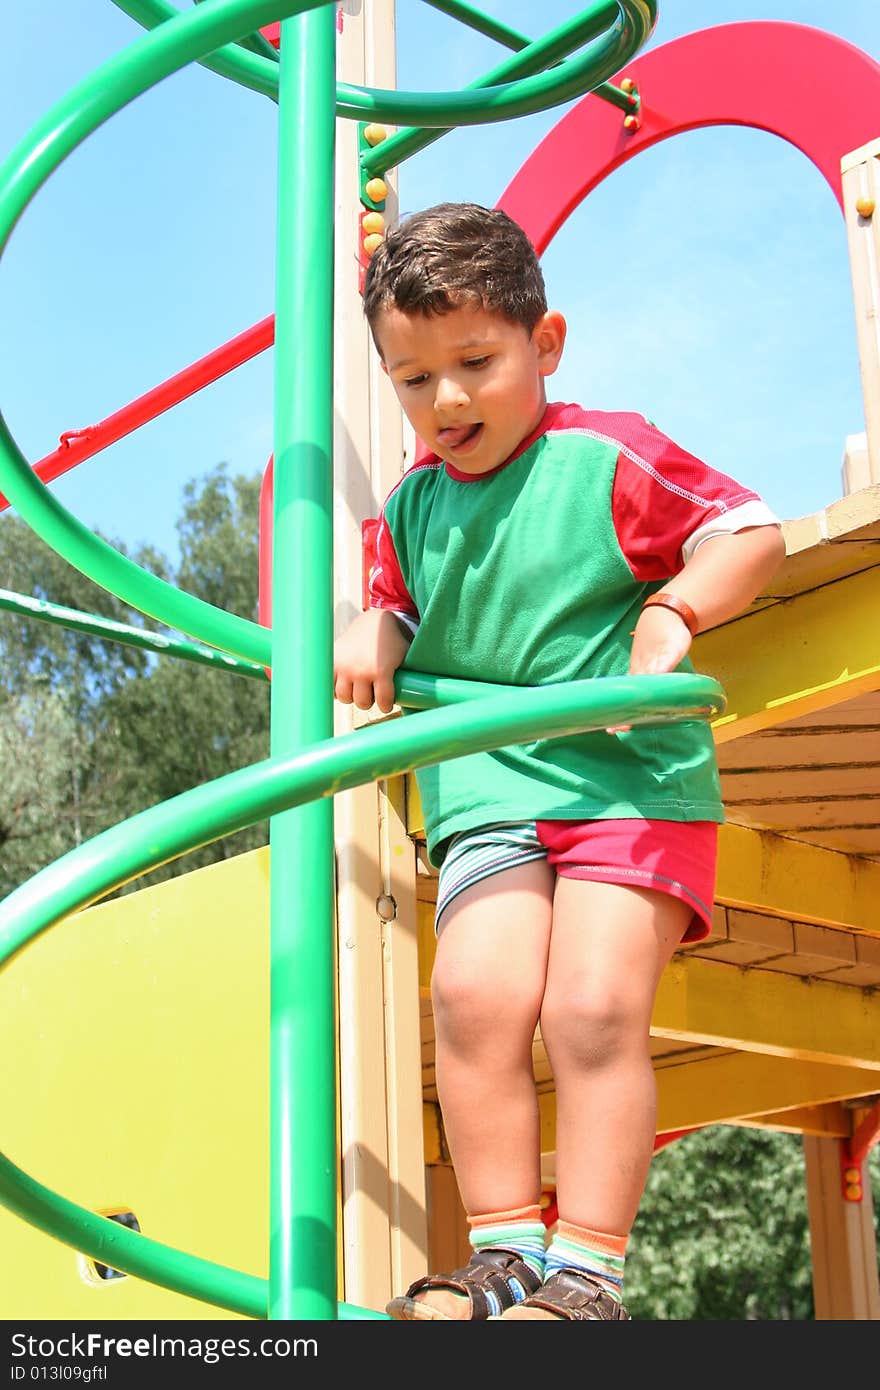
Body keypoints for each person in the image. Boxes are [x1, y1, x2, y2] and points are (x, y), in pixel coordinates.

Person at [333, 202, 785, 1321]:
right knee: (475, 997)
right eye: (410, 379)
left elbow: (750, 529)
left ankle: (587, 1272)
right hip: (489, 792)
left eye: (473, 363)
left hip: (626, 778)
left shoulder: (604, 455)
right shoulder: (410, 509)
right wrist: (373, 629)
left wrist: (673, 610)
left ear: (545, 345)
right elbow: (395, 602)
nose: (443, 402)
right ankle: (500, 1252)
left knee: (588, 1009)